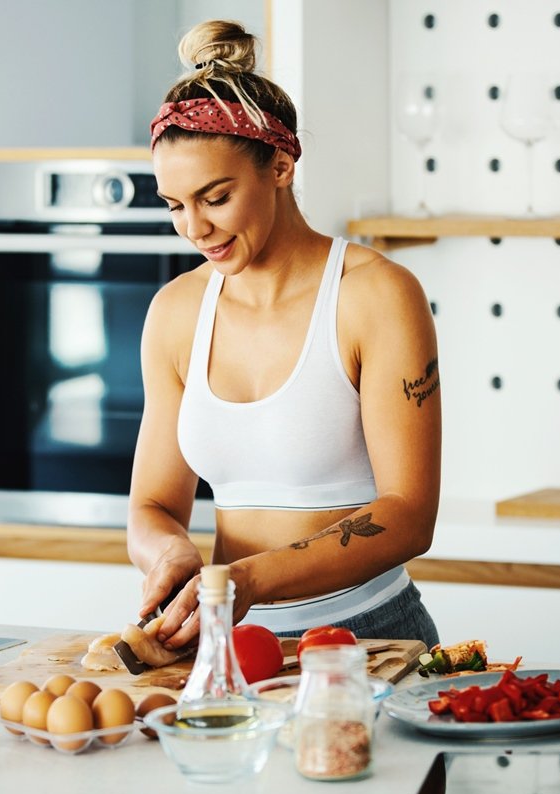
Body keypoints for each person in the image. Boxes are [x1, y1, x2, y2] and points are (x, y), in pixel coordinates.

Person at [127, 20, 441, 652]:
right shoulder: (176, 312)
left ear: (281, 164)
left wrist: (251, 580)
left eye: (215, 197)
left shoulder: (376, 294)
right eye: (173, 204)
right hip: (228, 642)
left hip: (367, 637)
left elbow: (410, 514)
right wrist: (169, 556)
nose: (194, 227)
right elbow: (153, 504)